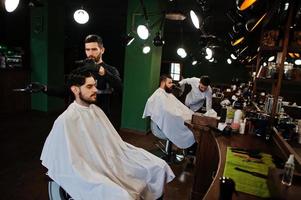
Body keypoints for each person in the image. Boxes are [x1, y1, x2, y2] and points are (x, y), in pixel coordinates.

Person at [40, 66, 175, 200]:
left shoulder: (96, 110)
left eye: (95, 85)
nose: (95, 90)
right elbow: (66, 161)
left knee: (159, 166)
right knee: (124, 196)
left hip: (112, 158)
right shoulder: (66, 120)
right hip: (90, 169)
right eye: (89, 87)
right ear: (75, 89)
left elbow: (114, 143)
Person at [42, 34, 122, 117]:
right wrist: (45, 88)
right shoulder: (79, 71)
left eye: (94, 49)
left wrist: (101, 70)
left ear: (102, 50)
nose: (90, 53)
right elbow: (67, 90)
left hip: (100, 115)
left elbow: (119, 88)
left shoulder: (111, 70)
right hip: (79, 115)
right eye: (87, 49)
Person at [142, 74, 195, 149]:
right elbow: (168, 112)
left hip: (169, 121)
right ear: (163, 83)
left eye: (172, 82)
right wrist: (181, 116)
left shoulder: (167, 94)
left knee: (191, 129)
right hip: (159, 128)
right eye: (169, 83)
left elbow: (177, 107)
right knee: (190, 133)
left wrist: (189, 114)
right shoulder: (159, 95)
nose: (172, 85)